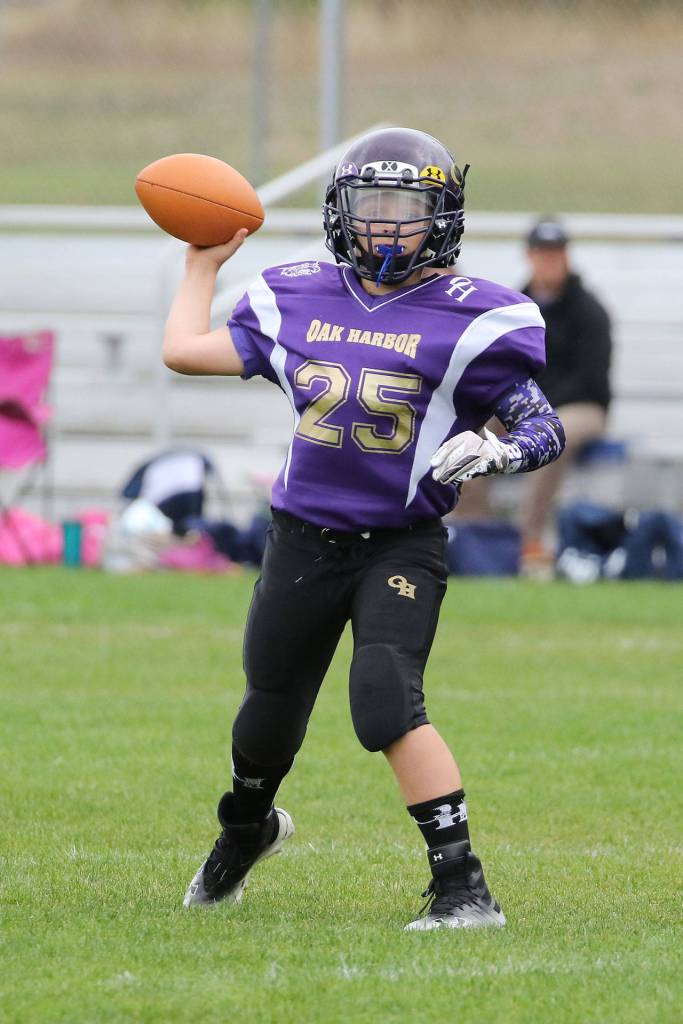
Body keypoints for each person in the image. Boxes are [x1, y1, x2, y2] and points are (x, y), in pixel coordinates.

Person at [163, 127, 565, 931]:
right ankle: (246, 832)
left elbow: (543, 427)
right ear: (340, 211)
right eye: (370, 206)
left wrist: (491, 449)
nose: (385, 225)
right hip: (302, 537)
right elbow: (182, 350)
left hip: (399, 542)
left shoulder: (477, 315)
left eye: (404, 208)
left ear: (441, 214)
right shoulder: (294, 293)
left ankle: (462, 890)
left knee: (384, 699)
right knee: (266, 718)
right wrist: (201, 263)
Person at [519, 218, 612, 565]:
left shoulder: (589, 310)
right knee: (471, 425)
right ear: (529, 256)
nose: (550, 260)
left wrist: (537, 408)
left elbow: (591, 378)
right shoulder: (517, 305)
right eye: (543, 253)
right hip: (528, 403)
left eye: (556, 253)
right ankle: (477, 532)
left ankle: (530, 540)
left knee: (552, 433)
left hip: (582, 407)